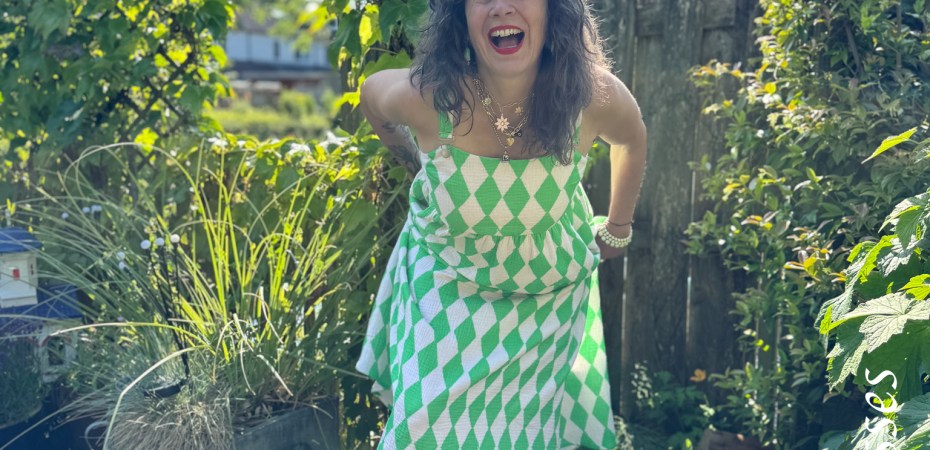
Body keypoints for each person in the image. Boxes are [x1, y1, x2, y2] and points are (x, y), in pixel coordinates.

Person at [354, 0, 647, 447]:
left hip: (545, 306)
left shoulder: (588, 96)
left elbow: (632, 138)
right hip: (446, 292)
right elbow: (371, 97)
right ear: (460, 16)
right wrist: (416, 163)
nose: (500, 7)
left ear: (553, 10)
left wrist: (618, 229)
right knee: (424, 430)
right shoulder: (428, 98)